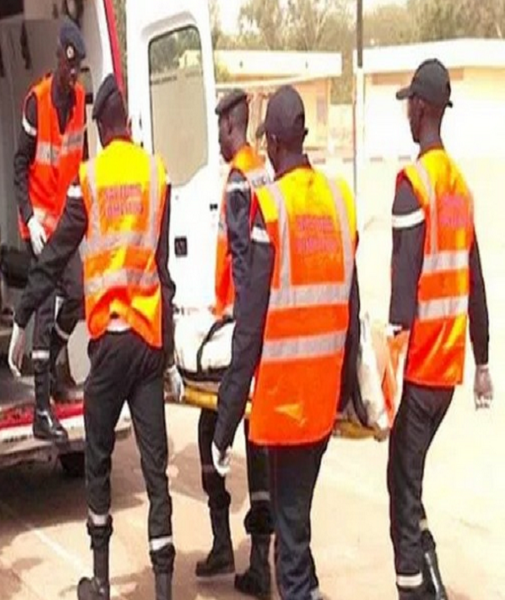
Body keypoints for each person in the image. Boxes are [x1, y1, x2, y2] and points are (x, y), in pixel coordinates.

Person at [8, 74, 182, 600]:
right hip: (150, 345)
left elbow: (56, 254)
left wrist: (22, 316)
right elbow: (164, 273)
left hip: (109, 346)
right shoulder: (157, 175)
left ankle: (101, 580)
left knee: (99, 460)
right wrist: (170, 353)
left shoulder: (91, 178)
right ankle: (165, 588)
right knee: (156, 470)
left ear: (102, 130)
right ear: (126, 124)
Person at [212, 85, 360, 600]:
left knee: (290, 549)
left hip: (285, 404)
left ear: (272, 142)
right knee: (297, 521)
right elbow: (352, 303)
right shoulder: (340, 200)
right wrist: (350, 391)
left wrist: (226, 419)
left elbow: (248, 328)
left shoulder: (269, 206)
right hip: (321, 404)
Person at [388, 58, 493, 600]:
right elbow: (474, 280)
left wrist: (383, 382)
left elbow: (403, 297)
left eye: (410, 102)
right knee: (410, 482)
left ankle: (416, 588)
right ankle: (431, 580)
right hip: (448, 373)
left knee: (400, 493)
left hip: (421, 368)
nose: (407, 111)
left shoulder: (415, 183)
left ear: (422, 108)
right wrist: (482, 362)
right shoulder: (459, 186)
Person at [195, 89, 274, 600]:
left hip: (241, 336)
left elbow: (243, 268)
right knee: (255, 443)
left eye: (219, 127)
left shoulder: (240, 180)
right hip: (257, 327)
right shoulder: (264, 170)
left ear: (230, 125)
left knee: (219, 430)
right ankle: (253, 557)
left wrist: (237, 336)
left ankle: (241, 552)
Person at [13, 17, 88, 443]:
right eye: (67, 66)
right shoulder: (35, 102)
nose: (71, 75)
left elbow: (82, 158)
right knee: (44, 310)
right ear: (57, 58)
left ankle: (49, 365)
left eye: (77, 70)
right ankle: (41, 409)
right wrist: (27, 219)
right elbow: (19, 166)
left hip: (67, 224)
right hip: (41, 225)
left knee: (75, 297)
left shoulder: (79, 100)